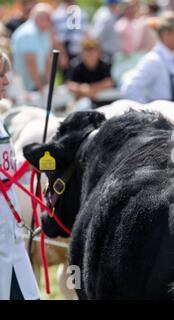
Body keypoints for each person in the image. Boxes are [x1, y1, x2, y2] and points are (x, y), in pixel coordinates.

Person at [0, 50, 40, 300]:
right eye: (0, 75)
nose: (6, 80)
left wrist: (33, 162)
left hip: (10, 233)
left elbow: (8, 171)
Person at [10, 3, 53, 92]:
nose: (50, 22)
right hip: (25, 87)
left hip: (36, 84)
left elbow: (48, 59)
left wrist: (49, 84)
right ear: (38, 18)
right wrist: (41, 88)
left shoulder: (44, 32)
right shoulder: (28, 33)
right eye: (48, 18)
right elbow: (31, 63)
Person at [67, 38, 114, 109]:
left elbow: (109, 82)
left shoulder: (105, 64)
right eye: (87, 50)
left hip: (103, 103)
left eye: (93, 50)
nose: (90, 53)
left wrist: (91, 89)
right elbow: (70, 84)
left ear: (99, 52)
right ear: (82, 52)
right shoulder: (76, 65)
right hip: (82, 102)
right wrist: (82, 89)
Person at [52, 0, 90, 79]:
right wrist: (62, 55)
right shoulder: (57, 15)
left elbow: (86, 34)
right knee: (67, 79)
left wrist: (84, 53)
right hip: (65, 52)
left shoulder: (81, 14)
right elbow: (56, 37)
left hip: (79, 52)